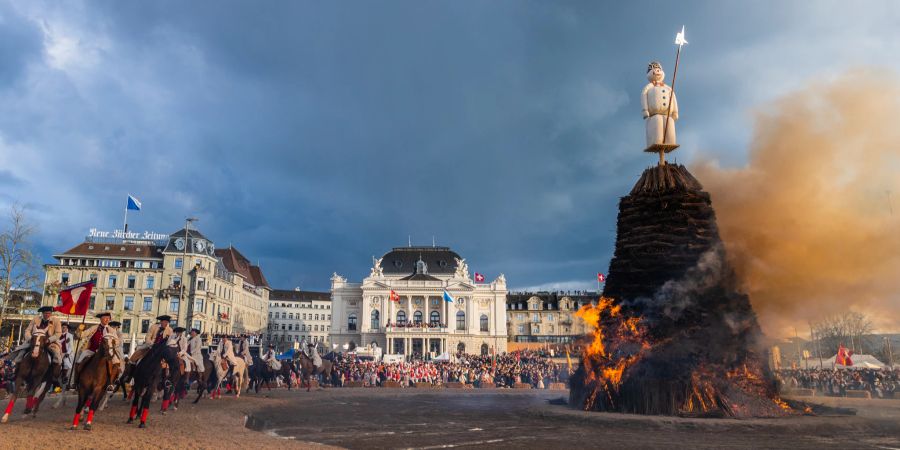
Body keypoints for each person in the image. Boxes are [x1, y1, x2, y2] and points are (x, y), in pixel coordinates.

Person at [13, 306, 63, 377]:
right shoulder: (35, 319)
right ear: (42, 313)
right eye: (45, 313)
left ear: (51, 313)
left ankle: (55, 375)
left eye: (49, 313)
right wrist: (30, 338)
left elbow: (58, 333)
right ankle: (15, 370)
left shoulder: (56, 320)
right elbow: (27, 330)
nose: (47, 315)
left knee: (57, 355)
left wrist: (49, 339)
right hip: (34, 340)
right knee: (21, 351)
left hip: (49, 342)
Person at [74, 311, 121, 377]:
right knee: (79, 360)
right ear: (101, 319)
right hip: (91, 351)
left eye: (108, 318)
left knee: (116, 362)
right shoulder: (94, 328)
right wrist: (80, 329)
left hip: (106, 353)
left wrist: (113, 343)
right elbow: (81, 335)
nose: (107, 319)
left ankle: (114, 380)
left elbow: (117, 341)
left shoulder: (111, 330)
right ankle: (76, 380)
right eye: (105, 318)